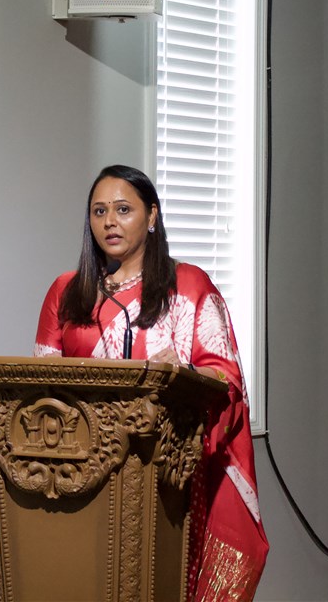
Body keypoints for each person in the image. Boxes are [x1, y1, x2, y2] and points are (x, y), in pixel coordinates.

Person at [34, 165, 269, 601]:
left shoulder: (189, 285)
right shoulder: (66, 291)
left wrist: (183, 373)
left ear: (153, 216)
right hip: (80, 472)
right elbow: (42, 382)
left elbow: (227, 379)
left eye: (123, 209)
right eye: (99, 211)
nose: (110, 221)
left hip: (165, 474)